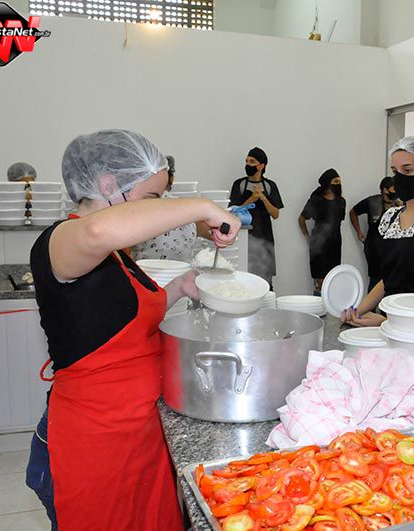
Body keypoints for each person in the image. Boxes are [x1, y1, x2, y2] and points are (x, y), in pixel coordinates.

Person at [24, 129, 239, 531]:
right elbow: (97, 231)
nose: (156, 209)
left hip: (138, 436)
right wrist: (202, 207)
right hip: (95, 444)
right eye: (151, 197)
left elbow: (119, 321)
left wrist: (181, 287)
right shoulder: (61, 241)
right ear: (109, 186)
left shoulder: (118, 257)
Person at [343, 136, 414, 327]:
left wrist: (388, 323)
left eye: (408, 170)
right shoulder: (390, 218)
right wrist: (356, 311)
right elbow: (388, 279)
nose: (399, 178)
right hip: (388, 317)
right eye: (395, 171)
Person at [132, 155, 213, 262]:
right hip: (181, 268)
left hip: (146, 268)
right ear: (171, 179)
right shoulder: (185, 207)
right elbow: (209, 232)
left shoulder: (137, 206)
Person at [228, 147, 283, 287]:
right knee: (243, 278)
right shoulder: (239, 184)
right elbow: (232, 212)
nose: (248, 164)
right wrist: (251, 199)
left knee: (266, 282)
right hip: (243, 238)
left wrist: (263, 198)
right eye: (246, 161)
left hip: (265, 238)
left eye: (252, 161)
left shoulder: (270, 186)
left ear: (261, 165)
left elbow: (275, 214)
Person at [349, 176, 401, 291]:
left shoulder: (399, 204)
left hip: (391, 247)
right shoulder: (372, 201)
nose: (396, 191)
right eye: (394, 189)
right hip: (374, 247)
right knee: (375, 279)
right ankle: (371, 302)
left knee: (391, 278)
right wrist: (359, 232)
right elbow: (353, 212)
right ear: (385, 189)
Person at [299, 169, 346, 294]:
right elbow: (301, 219)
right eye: (335, 181)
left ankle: (330, 304)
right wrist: (308, 238)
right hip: (318, 244)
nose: (338, 184)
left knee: (333, 279)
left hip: (335, 244)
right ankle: (317, 303)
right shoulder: (316, 200)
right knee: (320, 281)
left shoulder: (341, 201)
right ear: (327, 183)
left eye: (339, 181)